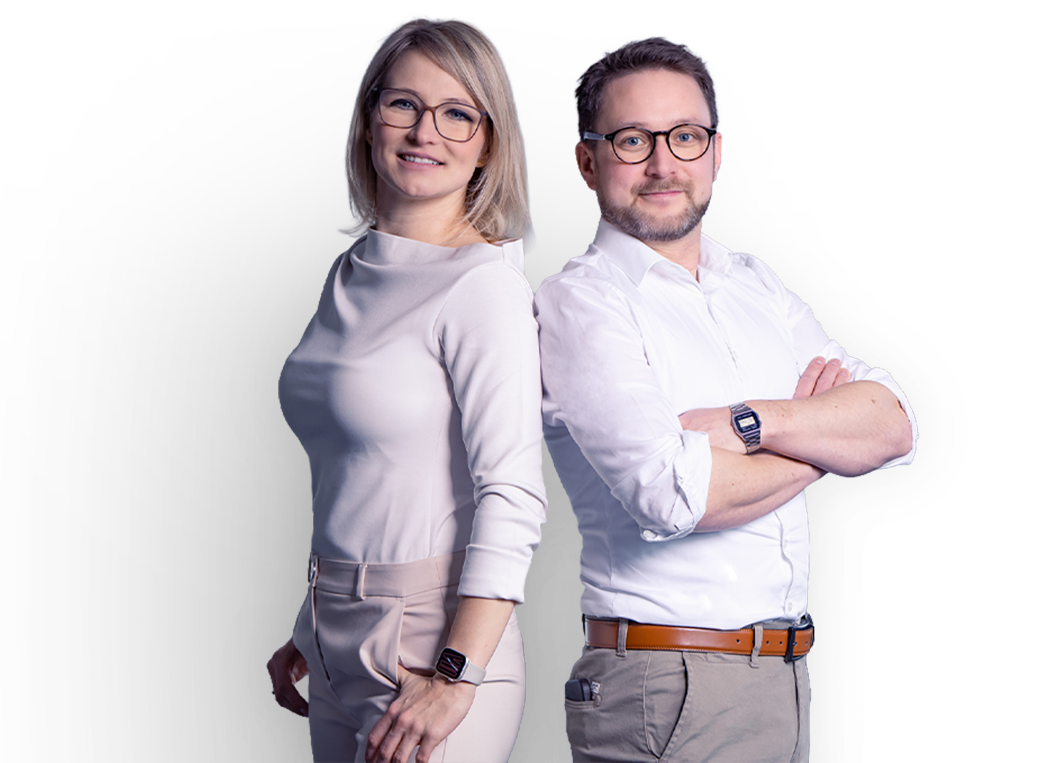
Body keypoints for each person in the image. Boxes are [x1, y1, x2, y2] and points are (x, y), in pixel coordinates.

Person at [534, 36, 919, 763]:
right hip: (666, 683)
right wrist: (825, 448)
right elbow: (672, 494)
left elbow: (895, 424)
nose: (663, 164)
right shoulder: (580, 302)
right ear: (587, 162)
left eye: (684, 136)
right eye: (632, 140)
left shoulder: (754, 284)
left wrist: (754, 424)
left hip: (785, 675)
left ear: (715, 152)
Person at [265, 14, 547, 763]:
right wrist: (312, 623)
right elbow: (357, 467)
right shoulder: (352, 269)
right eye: (404, 104)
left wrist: (457, 675)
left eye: (458, 114)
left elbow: (514, 494)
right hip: (330, 633)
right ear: (369, 119)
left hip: (433, 647)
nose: (426, 132)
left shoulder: (483, 286)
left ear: (489, 143)